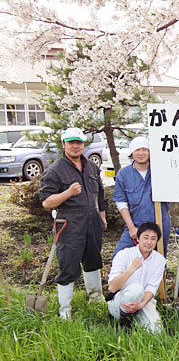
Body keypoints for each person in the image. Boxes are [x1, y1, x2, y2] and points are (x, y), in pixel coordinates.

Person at [40, 127, 108, 319]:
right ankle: (65, 312)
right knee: (69, 267)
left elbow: (100, 194)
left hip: (92, 222)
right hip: (69, 224)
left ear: (84, 144)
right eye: (71, 143)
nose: (76, 146)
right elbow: (46, 202)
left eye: (79, 142)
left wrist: (102, 216)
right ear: (64, 145)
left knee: (93, 260)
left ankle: (95, 300)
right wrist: (68, 193)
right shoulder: (55, 170)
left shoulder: (92, 167)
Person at [112, 136, 171, 258]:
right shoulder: (123, 174)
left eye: (145, 149)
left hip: (159, 225)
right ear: (131, 153)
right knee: (119, 256)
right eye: (137, 150)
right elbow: (121, 202)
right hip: (136, 225)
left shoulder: (160, 171)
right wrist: (131, 227)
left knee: (157, 260)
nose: (141, 153)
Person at [108, 222, 166, 333]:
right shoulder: (124, 255)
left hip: (143, 301)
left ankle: (135, 316)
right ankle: (122, 321)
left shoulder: (159, 260)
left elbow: (151, 288)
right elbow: (112, 287)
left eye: (153, 238)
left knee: (156, 331)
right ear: (138, 238)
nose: (149, 242)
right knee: (136, 289)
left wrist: (141, 305)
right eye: (146, 237)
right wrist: (131, 269)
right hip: (121, 301)